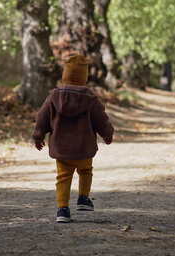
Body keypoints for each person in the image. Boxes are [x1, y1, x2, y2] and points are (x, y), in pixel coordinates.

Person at [33, 54, 114, 223]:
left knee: (63, 177)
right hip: (84, 148)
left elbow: (42, 117)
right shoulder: (90, 98)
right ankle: (83, 198)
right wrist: (107, 134)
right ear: (84, 77)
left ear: (65, 74)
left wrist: (38, 135)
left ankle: (62, 209)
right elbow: (101, 118)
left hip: (62, 149)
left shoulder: (54, 97)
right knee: (85, 171)